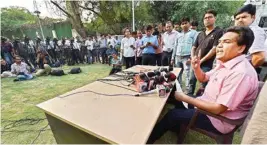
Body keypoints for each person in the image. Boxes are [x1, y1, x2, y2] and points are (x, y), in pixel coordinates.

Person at [147, 26, 258, 144]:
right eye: (220, 42)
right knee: (176, 99)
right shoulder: (225, 64)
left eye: (226, 42)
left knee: (172, 113)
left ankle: (147, 139)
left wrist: (185, 97)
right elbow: (203, 78)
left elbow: (218, 109)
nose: (219, 46)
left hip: (217, 119)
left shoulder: (240, 73)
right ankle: (178, 125)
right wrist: (196, 67)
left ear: (241, 48)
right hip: (206, 104)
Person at [188, 9, 223, 96]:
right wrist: (193, 58)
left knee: (204, 82)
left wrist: (201, 60)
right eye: (205, 18)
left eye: (210, 17)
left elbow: (214, 49)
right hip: (195, 62)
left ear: (215, 18)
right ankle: (189, 97)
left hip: (206, 64)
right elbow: (193, 47)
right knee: (192, 80)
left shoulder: (218, 32)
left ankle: (204, 99)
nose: (207, 19)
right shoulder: (201, 33)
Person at [234, 4, 267, 71]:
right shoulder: (241, 31)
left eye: (244, 17)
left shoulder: (255, 31)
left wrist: (245, 72)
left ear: (253, 17)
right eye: (237, 18)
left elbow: (259, 57)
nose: (240, 20)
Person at [171, 17, 198, 91]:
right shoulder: (178, 34)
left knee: (187, 74)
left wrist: (191, 57)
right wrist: (172, 58)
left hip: (187, 57)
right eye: (182, 24)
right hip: (178, 56)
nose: (184, 25)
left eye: (186, 23)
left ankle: (188, 90)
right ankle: (179, 89)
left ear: (189, 24)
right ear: (180, 25)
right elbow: (175, 46)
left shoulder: (194, 33)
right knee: (178, 73)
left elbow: (195, 46)